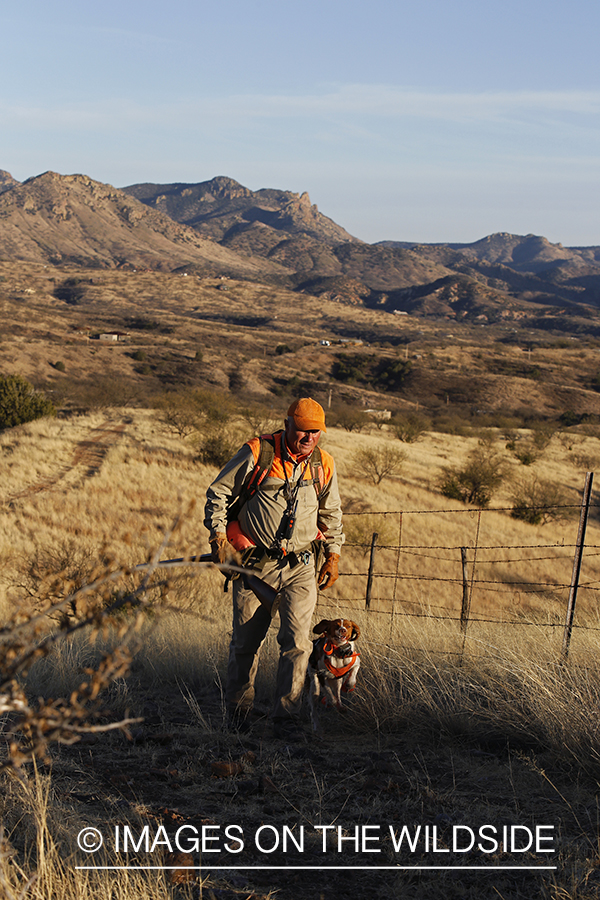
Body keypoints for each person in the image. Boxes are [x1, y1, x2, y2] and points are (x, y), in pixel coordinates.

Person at [204, 397, 344, 740]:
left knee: (297, 643)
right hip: (254, 568)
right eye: (302, 430)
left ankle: (286, 720)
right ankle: (238, 714)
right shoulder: (258, 453)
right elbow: (218, 493)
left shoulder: (323, 464)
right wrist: (219, 539)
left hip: (301, 567)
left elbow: (332, 514)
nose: (309, 437)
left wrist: (333, 554)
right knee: (245, 645)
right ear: (287, 425)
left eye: (315, 432)